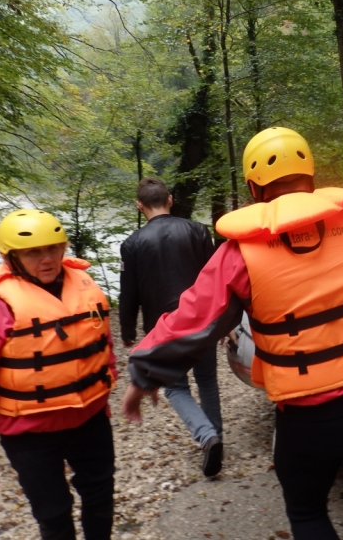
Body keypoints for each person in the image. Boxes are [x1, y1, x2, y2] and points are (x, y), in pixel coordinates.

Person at [122, 127, 343, 540]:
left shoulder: (240, 252)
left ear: (254, 187)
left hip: (312, 411)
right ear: (310, 175)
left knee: (306, 508)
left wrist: (144, 372)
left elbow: (193, 319)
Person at [0, 209, 117, 539]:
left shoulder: (84, 285)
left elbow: (102, 348)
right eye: (33, 252)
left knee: (100, 500)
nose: (47, 259)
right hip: (29, 432)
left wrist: (106, 398)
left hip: (90, 420)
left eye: (54, 248)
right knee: (53, 514)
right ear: (11, 257)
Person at [119, 177, 223, 476]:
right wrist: (224, 321)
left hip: (163, 329)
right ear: (171, 199)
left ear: (140, 207)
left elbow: (130, 294)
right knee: (207, 380)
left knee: (175, 387)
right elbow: (214, 278)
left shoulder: (132, 244)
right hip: (202, 320)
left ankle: (207, 436)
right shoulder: (197, 231)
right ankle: (217, 439)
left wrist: (128, 332)